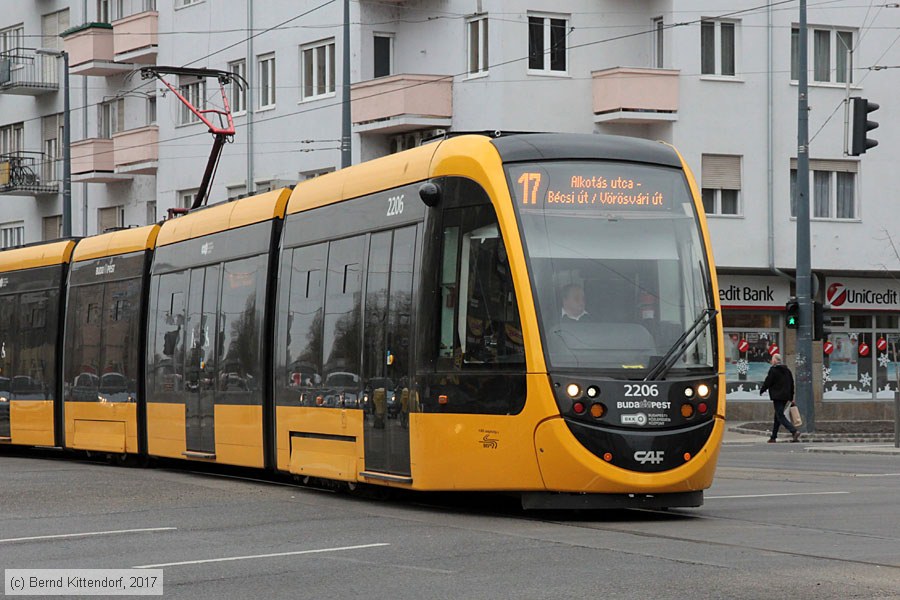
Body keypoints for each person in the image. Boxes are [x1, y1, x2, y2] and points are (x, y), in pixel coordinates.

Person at [759, 353, 801, 443]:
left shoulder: (773, 370)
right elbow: (791, 384)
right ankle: (773, 437)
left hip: (777, 396)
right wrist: (791, 396)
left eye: (772, 359)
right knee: (777, 416)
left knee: (780, 416)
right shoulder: (787, 370)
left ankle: (794, 431)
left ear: (775, 361)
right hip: (785, 397)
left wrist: (762, 390)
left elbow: (768, 381)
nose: (771, 361)